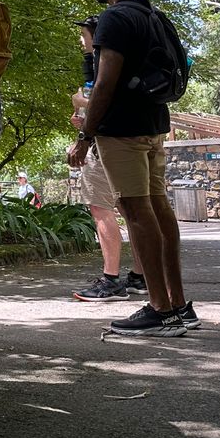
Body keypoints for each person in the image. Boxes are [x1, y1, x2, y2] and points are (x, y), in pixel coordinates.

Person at [67, 0, 199, 335]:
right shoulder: (154, 16)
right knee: (159, 211)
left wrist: (84, 137)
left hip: (122, 131)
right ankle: (177, 304)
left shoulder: (114, 18)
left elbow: (105, 83)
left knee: (136, 212)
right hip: (155, 125)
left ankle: (160, 310)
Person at [69, 15, 147, 302]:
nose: (81, 40)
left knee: (101, 209)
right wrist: (85, 118)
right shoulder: (125, 55)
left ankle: (111, 280)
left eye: (84, 35)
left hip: (107, 144)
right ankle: (140, 276)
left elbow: (108, 97)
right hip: (130, 139)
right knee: (131, 209)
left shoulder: (105, 58)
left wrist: (83, 107)